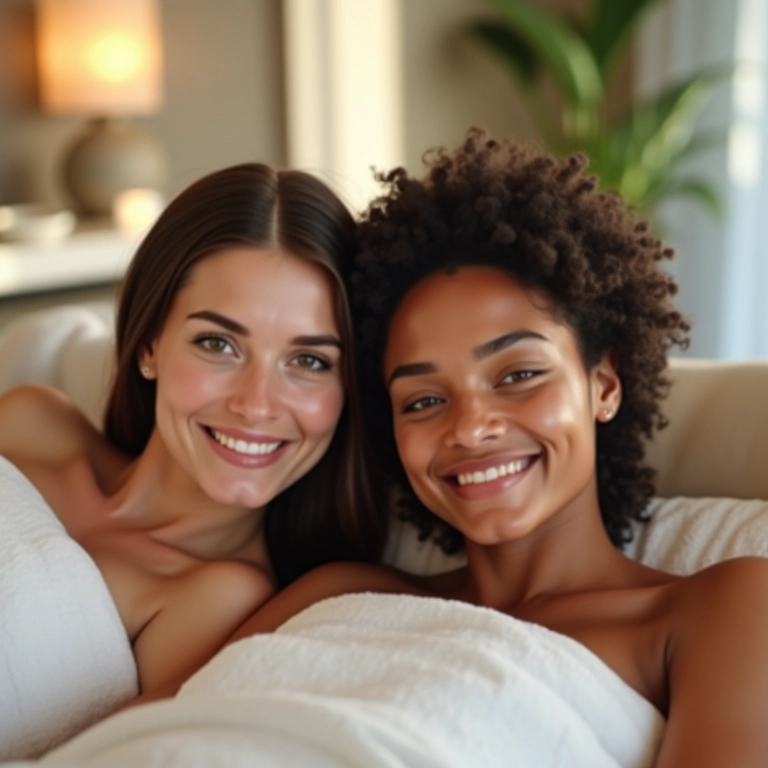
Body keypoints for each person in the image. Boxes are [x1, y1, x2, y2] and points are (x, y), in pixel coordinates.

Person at [219, 132, 768, 766]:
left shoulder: (717, 609)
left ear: (604, 386)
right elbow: (169, 724)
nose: (470, 428)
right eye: (423, 401)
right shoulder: (339, 593)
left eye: (517, 376)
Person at [0, 162, 387, 696]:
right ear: (149, 345)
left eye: (310, 361)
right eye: (218, 344)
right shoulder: (30, 423)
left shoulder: (218, 598)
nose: (255, 405)